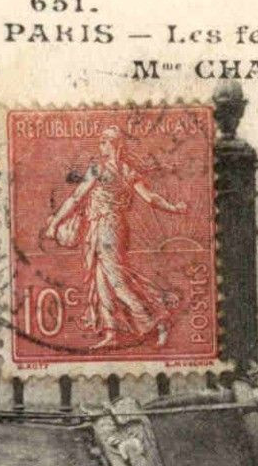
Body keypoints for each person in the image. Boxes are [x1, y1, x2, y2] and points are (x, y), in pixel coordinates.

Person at [42, 125, 188, 350]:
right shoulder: (127, 171)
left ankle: (157, 319)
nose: (101, 146)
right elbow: (150, 198)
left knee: (117, 279)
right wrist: (174, 208)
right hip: (105, 227)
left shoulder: (99, 170)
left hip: (107, 228)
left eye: (104, 142)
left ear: (115, 144)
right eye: (101, 142)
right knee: (100, 278)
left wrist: (54, 222)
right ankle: (111, 332)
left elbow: (76, 198)